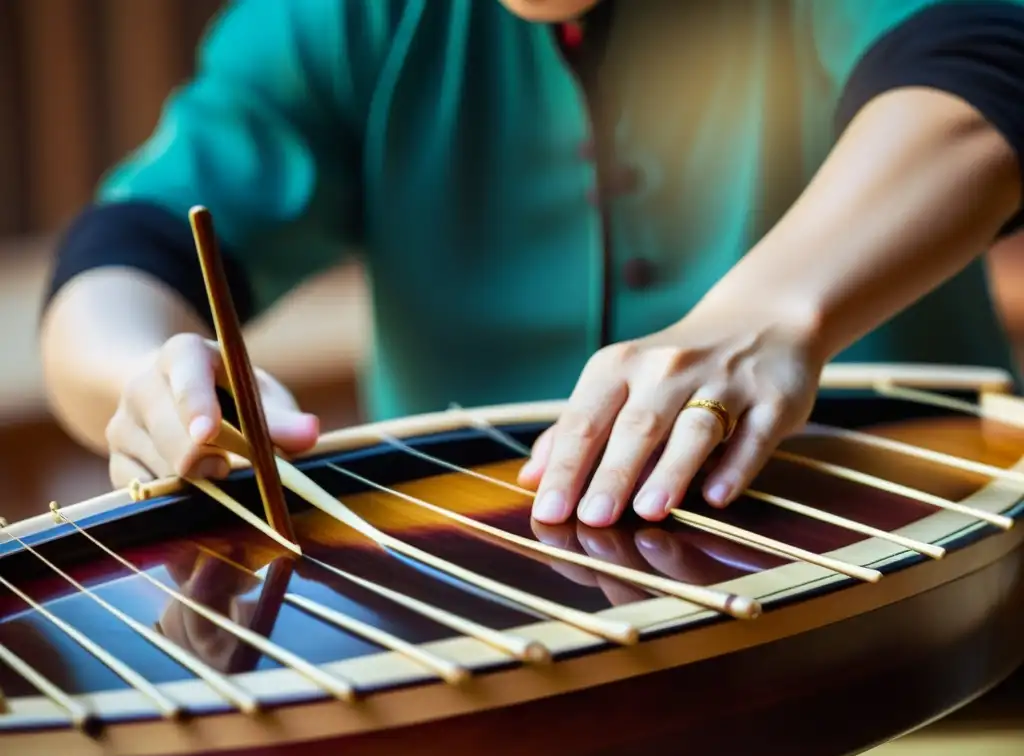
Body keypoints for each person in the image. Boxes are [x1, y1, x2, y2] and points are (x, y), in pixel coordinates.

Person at [39, 0, 1024, 530]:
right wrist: (144, 381)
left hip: (918, 576)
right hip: (479, 629)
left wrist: (767, 316)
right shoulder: (335, 17)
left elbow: (979, 64)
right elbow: (128, 248)